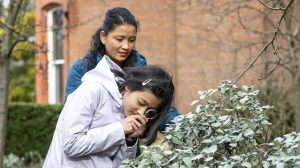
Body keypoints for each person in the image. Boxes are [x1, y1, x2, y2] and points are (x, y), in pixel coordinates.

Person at [65, 7, 180, 135]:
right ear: (103, 37)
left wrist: (183, 126)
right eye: (119, 39)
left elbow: (161, 107)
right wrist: (119, 129)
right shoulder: (82, 69)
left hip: (129, 147)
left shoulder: (140, 66)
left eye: (132, 40)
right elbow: (72, 116)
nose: (126, 46)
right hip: (92, 148)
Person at [43, 55, 174, 167]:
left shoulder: (124, 112)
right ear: (128, 87)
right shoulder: (92, 90)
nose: (141, 113)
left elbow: (120, 165)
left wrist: (130, 140)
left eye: (149, 111)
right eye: (141, 103)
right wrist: (119, 129)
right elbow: (71, 144)